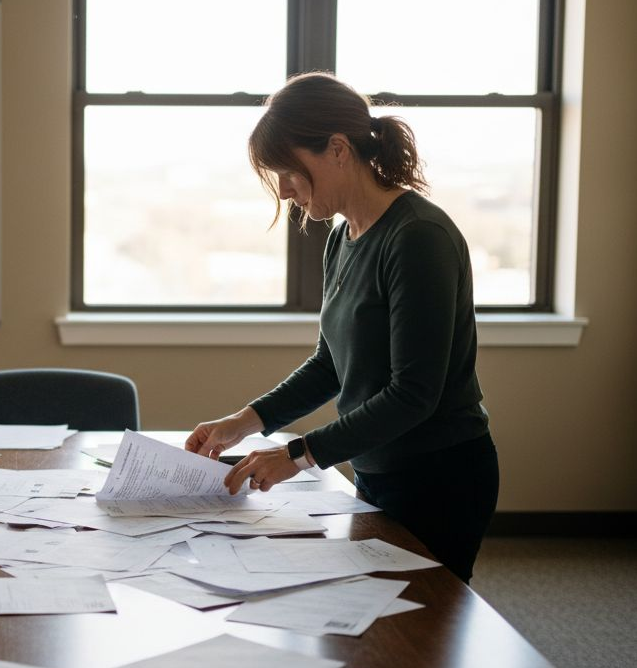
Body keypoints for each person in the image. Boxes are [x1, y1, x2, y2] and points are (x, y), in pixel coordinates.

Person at [185, 72, 499, 583]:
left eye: (289, 172)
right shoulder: (343, 237)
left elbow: (414, 393)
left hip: (441, 476)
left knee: (420, 635)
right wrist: (242, 423)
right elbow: (330, 363)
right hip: (377, 470)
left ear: (336, 149)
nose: (285, 191)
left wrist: (299, 455)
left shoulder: (417, 237)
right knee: (371, 632)